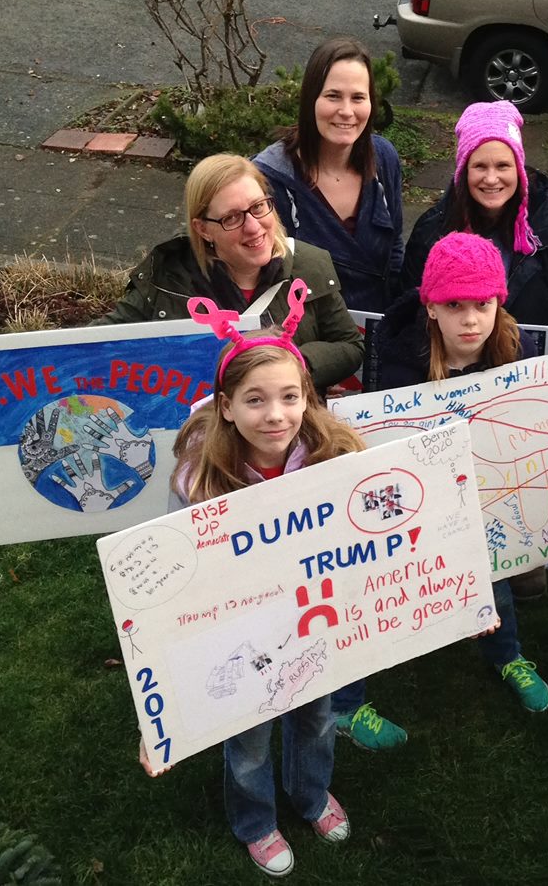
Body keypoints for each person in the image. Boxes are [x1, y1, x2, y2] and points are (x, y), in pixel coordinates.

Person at [169, 282, 362, 877]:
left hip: (314, 617)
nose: (274, 414)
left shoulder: (336, 454)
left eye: (288, 397)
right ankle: (256, 820)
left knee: (317, 715)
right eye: (255, 400)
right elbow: (179, 574)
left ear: (307, 397)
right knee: (248, 736)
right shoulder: (200, 479)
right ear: (225, 406)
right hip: (241, 633)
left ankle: (309, 794)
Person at [375, 232, 548, 710]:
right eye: (454, 304)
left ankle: (507, 654)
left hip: (495, 497)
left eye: (482, 303)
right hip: (420, 501)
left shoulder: (518, 351)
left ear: (499, 302)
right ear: (430, 307)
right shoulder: (402, 358)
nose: (471, 319)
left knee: (492, 568)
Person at [95, 154, 364, 394]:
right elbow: (94, 343)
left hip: (283, 436)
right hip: (201, 438)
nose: (253, 227)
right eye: (232, 218)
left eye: (258, 207)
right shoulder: (167, 277)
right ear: (203, 229)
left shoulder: (308, 265)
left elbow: (351, 346)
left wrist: (296, 364)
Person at [400, 100, 548, 329]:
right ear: (463, 171)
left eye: (503, 166)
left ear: (519, 169)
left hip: (533, 361)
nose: (492, 179)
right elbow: (409, 310)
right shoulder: (432, 231)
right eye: (480, 167)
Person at [253, 38, 405, 316]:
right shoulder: (268, 180)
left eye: (358, 97)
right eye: (333, 96)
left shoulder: (384, 158)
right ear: (311, 98)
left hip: (378, 337)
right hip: (307, 345)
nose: (346, 111)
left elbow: (395, 248)